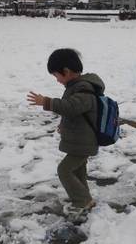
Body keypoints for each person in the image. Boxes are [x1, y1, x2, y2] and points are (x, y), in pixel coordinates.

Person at [27, 48, 104, 217]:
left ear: (67, 71)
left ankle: (81, 200)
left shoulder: (84, 89)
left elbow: (71, 107)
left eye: (57, 76)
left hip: (84, 141)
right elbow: (75, 112)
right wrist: (64, 123)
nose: (57, 80)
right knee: (77, 171)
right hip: (79, 139)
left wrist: (46, 102)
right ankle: (86, 199)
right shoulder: (75, 86)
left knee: (64, 170)